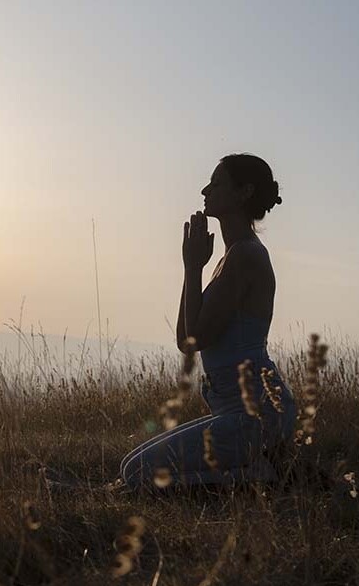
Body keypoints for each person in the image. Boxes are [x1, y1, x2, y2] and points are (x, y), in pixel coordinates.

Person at [120, 153, 296, 491]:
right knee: (132, 465)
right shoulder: (230, 257)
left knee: (138, 473)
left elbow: (197, 338)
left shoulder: (245, 255)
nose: (205, 190)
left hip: (256, 416)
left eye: (216, 184)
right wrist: (195, 266)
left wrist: (191, 268)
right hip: (238, 415)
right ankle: (256, 470)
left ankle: (259, 475)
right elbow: (186, 340)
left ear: (243, 192)